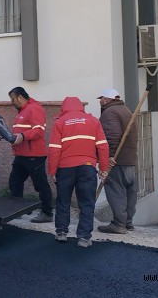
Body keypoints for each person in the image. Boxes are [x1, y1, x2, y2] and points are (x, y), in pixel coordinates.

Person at [48, 97, 110, 247]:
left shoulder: (60, 122)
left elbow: (54, 150)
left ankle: (61, 232)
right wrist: (103, 169)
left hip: (65, 168)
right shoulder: (93, 121)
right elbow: (103, 146)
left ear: (64, 108)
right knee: (87, 202)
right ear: (81, 107)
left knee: (63, 201)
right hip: (87, 167)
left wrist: (52, 170)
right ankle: (84, 237)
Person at [6, 87, 53, 223]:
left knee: (40, 185)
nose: (12, 102)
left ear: (20, 97)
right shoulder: (23, 111)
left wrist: (22, 135)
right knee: (15, 182)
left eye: (12, 99)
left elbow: (39, 131)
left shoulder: (34, 108)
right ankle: (18, 209)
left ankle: (47, 213)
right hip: (21, 154)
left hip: (34, 155)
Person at [96, 88, 138, 234]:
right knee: (129, 192)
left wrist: (109, 157)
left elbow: (111, 136)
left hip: (118, 160)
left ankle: (118, 224)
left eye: (101, 98)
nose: (100, 101)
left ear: (107, 99)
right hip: (130, 159)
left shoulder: (110, 113)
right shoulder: (125, 110)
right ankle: (128, 222)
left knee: (116, 191)